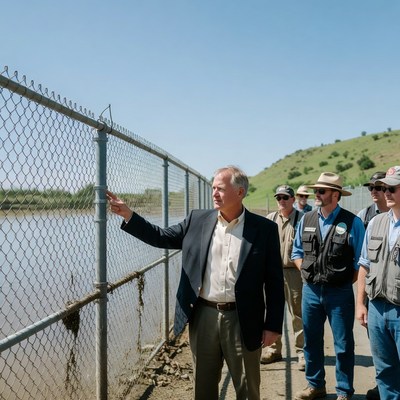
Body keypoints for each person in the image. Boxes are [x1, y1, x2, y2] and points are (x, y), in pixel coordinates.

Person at [106, 165, 285, 400]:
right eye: (213, 188)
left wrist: (272, 325)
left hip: (243, 318)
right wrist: (129, 215)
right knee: (204, 385)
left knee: (247, 387)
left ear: (240, 192)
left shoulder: (264, 229)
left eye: (220, 189)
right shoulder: (197, 220)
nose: (214, 193)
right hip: (203, 315)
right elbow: (161, 237)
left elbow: (274, 281)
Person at [291, 172, 365, 400]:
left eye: (321, 191)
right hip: (311, 292)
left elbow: (361, 261)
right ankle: (315, 385)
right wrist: (307, 271)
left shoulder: (353, 222)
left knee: (343, 344)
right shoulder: (307, 219)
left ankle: (344, 390)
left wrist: (341, 281)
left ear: (336, 195)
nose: (317, 194)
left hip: (340, 293)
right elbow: (296, 252)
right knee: (311, 340)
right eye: (316, 190)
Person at [356, 165, 400, 400]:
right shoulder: (376, 223)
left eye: (392, 188)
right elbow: (364, 264)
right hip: (377, 309)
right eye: (385, 188)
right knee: (385, 373)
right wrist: (360, 304)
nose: (387, 193)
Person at [261, 185, 305, 371]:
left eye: (285, 197)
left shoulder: (303, 219)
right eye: (279, 197)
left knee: (298, 313)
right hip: (272, 272)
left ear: (293, 200)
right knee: (272, 311)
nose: (282, 201)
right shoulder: (270, 219)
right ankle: (273, 349)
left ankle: (302, 352)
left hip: (294, 272)